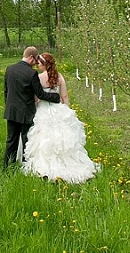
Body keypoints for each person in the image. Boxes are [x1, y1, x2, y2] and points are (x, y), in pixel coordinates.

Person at [21, 52, 100, 183]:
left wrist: (33, 108)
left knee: (44, 138)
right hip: (59, 109)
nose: (37, 65)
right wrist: (67, 111)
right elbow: (64, 97)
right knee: (63, 139)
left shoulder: (39, 78)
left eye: (39, 63)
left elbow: (36, 98)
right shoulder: (59, 77)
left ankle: (45, 167)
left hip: (44, 110)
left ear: (44, 64)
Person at [2, 44, 62, 170]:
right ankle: (25, 166)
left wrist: (9, 106)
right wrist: (55, 97)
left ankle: (7, 167)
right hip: (26, 113)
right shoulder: (31, 73)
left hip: (11, 111)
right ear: (31, 57)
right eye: (35, 60)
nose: (35, 64)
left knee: (11, 141)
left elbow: (6, 91)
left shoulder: (10, 69)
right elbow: (40, 94)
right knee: (26, 141)